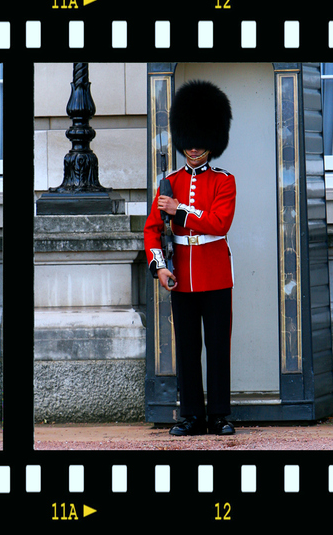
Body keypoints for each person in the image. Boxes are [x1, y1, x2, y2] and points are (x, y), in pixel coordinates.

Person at [144, 80, 236, 436]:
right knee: (186, 348)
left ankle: (220, 415)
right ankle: (192, 415)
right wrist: (161, 266)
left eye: (200, 141)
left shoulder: (224, 181)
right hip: (181, 273)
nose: (194, 147)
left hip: (215, 274)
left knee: (217, 346)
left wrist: (179, 209)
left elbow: (218, 222)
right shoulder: (169, 182)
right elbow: (152, 230)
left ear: (211, 143)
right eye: (189, 140)